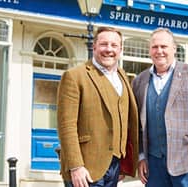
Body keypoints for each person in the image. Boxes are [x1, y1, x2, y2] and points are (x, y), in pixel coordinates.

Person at [132, 28, 188, 187]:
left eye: (164, 46)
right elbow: (137, 124)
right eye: (154, 47)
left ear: (174, 49)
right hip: (154, 166)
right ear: (149, 50)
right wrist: (141, 157)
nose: (159, 51)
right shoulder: (140, 81)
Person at [57, 27, 139, 187]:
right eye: (104, 44)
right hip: (85, 168)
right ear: (94, 47)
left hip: (115, 165)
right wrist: (76, 166)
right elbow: (66, 126)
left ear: (120, 49)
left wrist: (123, 161)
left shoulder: (123, 76)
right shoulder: (74, 76)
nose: (109, 49)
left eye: (114, 45)